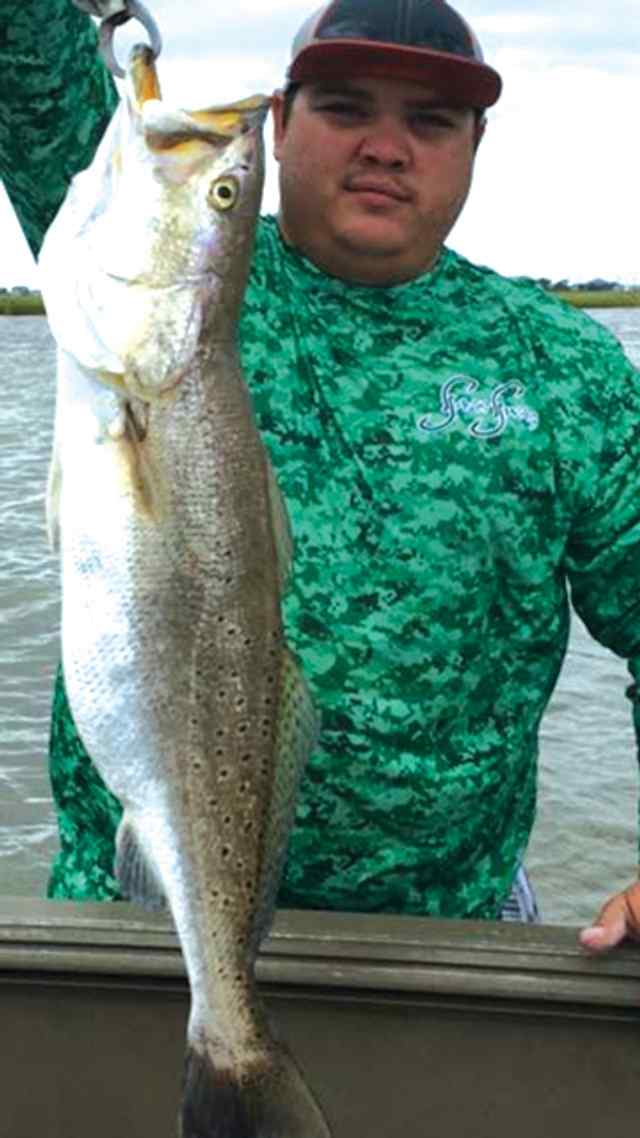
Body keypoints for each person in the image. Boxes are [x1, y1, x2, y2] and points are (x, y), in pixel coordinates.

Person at [2, 0, 639, 946]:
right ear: (280, 124)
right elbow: (33, 71)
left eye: (430, 121)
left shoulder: (567, 366)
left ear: (476, 145)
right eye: (345, 108)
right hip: (137, 919)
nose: (385, 147)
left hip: (450, 932)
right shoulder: (163, 267)